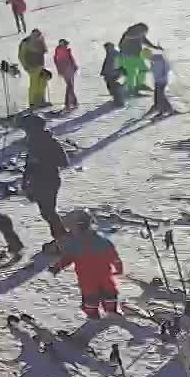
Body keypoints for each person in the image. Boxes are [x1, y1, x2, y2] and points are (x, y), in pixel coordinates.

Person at [50, 210, 122, 319]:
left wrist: (57, 267)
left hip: (87, 278)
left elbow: (67, 258)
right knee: (109, 292)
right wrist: (118, 267)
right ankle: (111, 310)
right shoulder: (102, 240)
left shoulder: (74, 244)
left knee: (91, 296)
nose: (71, 231)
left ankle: (92, 314)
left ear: (78, 227)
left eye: (72, 228)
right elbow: (114, 256)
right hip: (104, 274)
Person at [20, 112, 70, 242]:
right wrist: (25, 183)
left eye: (28, 129)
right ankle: (60, 236)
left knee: (49, 212)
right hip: (37, 182)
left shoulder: (51, 143)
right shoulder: (32, 143)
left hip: (49, 180)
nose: (26, 132)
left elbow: (64, 162)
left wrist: (42, 160)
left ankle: (62, 238)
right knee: (46, 213)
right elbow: (29, 164)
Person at [117, 24, 157, 94]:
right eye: (144, 31)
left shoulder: (140, 35)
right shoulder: (129, 33)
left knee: (143, 69)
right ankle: (130, 89)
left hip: (136, 55)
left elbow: (144, 40)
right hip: (128, 56)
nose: (144, 33)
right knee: (132, 73)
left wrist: (154, 46)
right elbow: (126, 39)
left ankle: (139, 84)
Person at [19, 29, 50, 109]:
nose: (38, 36)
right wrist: (25, 66)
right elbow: (21, 56)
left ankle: (41, 101)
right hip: (31, 66)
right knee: (34, 85)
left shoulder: (40, 40)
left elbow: (45, 50)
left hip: (40, 65)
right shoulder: (26, 42)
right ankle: (32, 103)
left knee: (42, 83)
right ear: (32, 34)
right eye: (36, 35)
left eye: (39, 35)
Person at [53, 39, 79, 109]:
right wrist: (58, 69)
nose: (61, 44)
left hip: (70, 68)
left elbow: (71, 58)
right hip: (64, 69)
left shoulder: (67, 50)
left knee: (70, 86)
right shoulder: (58, 49)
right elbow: (55, 59)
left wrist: (75, 66)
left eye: (63, 43)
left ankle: (73, 102)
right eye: (60, 43)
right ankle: (69, 102)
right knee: (70, 85)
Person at [149, 47, 175, 116]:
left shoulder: (161, 61)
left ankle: (169, 109)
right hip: (158, 81)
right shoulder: (154, 60)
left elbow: (167, 69)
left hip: (162, 81)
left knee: (161, 96)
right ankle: (161, 109)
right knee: (158, 96)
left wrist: (163, 76)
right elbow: (153, 70)